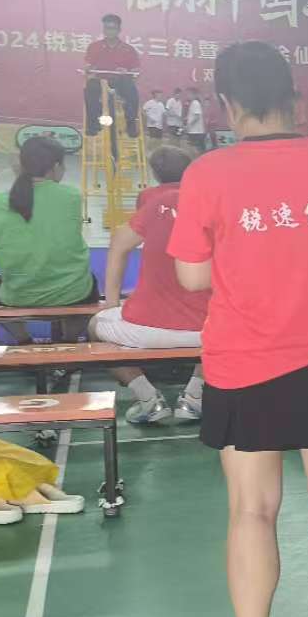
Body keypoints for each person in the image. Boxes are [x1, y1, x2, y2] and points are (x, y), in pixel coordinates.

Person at [167, 41, 308, 617]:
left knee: (252, 510)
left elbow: (191, 275)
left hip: (244, 362)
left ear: (227, 104)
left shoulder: (208, 173)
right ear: (294, 96)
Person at [91, 143, 209, 424]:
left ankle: (147, 399)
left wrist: (111, 302)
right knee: (233, 328)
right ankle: (195, 396)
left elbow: (119, 245)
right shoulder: (215, 203)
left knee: (95, 328)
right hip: (205, 329)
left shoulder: (154, 200)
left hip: (147, 325)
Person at [0, 136, 96, 312]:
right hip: (74, 293)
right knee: (88, 281)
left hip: (19, 296)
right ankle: (71, 330)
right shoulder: (72, 196)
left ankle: (20, 330)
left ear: (21, 165)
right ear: (56, 166)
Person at [83, 13, 142, 138]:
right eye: (106, 28)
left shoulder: (128, 49)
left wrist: (126, 70)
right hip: (100, 80)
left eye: (112, 28)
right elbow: (88, 65)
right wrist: (89, 68)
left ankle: (131, 124)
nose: (109, 31)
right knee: (90, 87)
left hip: (120, 80)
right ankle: (93, 125)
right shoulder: (94, 47)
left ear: (119, 30)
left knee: (132, 90)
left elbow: (136, 69)